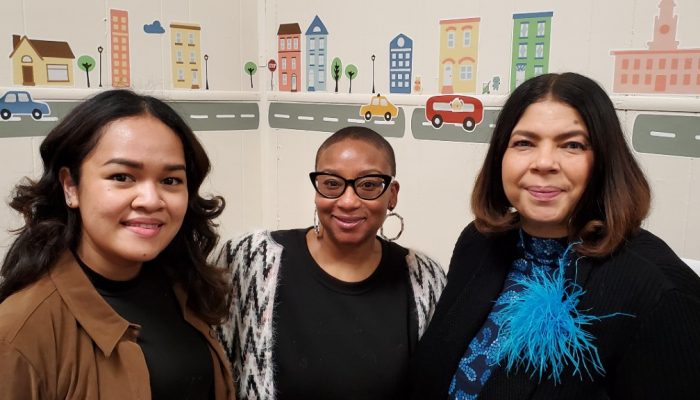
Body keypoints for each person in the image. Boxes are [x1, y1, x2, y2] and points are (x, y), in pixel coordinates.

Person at [409, 72, 700, 399]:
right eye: (524, 143)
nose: (544, 162)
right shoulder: (478, 243)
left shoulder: (659, 288)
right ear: (500, 157)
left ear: (604, 160)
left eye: (572, 145)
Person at [0, 90, 235, 399]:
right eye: (122, 176)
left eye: (170, 181)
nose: (151, 200)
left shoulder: (186, 286)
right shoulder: (19, 330)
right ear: (70, 186)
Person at [217, 126, 446, 400]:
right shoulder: (250, 259)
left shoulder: (425, 278)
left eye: (369, 185)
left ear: (392, 194)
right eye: (332, 184)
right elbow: (212, 372)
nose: (348, 201)